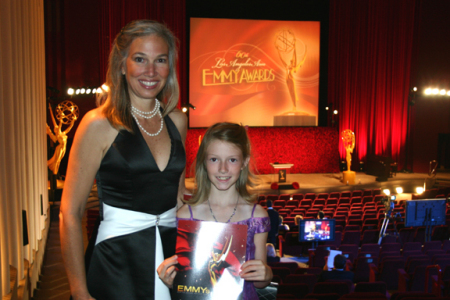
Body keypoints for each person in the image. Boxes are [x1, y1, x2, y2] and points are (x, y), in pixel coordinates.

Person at [59, 20, 186, 300]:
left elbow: (178, 200)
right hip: (115, 260)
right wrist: (79, 291)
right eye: (140, 59)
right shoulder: (98, 124)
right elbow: (70, 213)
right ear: (121, 63)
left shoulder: (178, 121)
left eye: (160, 60)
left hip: (170, 259)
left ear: (170, 66)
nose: (151, 71)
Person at [158, 122, 273, 300]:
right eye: (214, 159)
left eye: (232, 160)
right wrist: (171, 278)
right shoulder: (185, 215)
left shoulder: (256, 216)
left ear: (245, 162)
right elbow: (185, 279)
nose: (223, 169)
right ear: (204, 161)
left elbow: (260, 282)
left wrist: (266, 275)